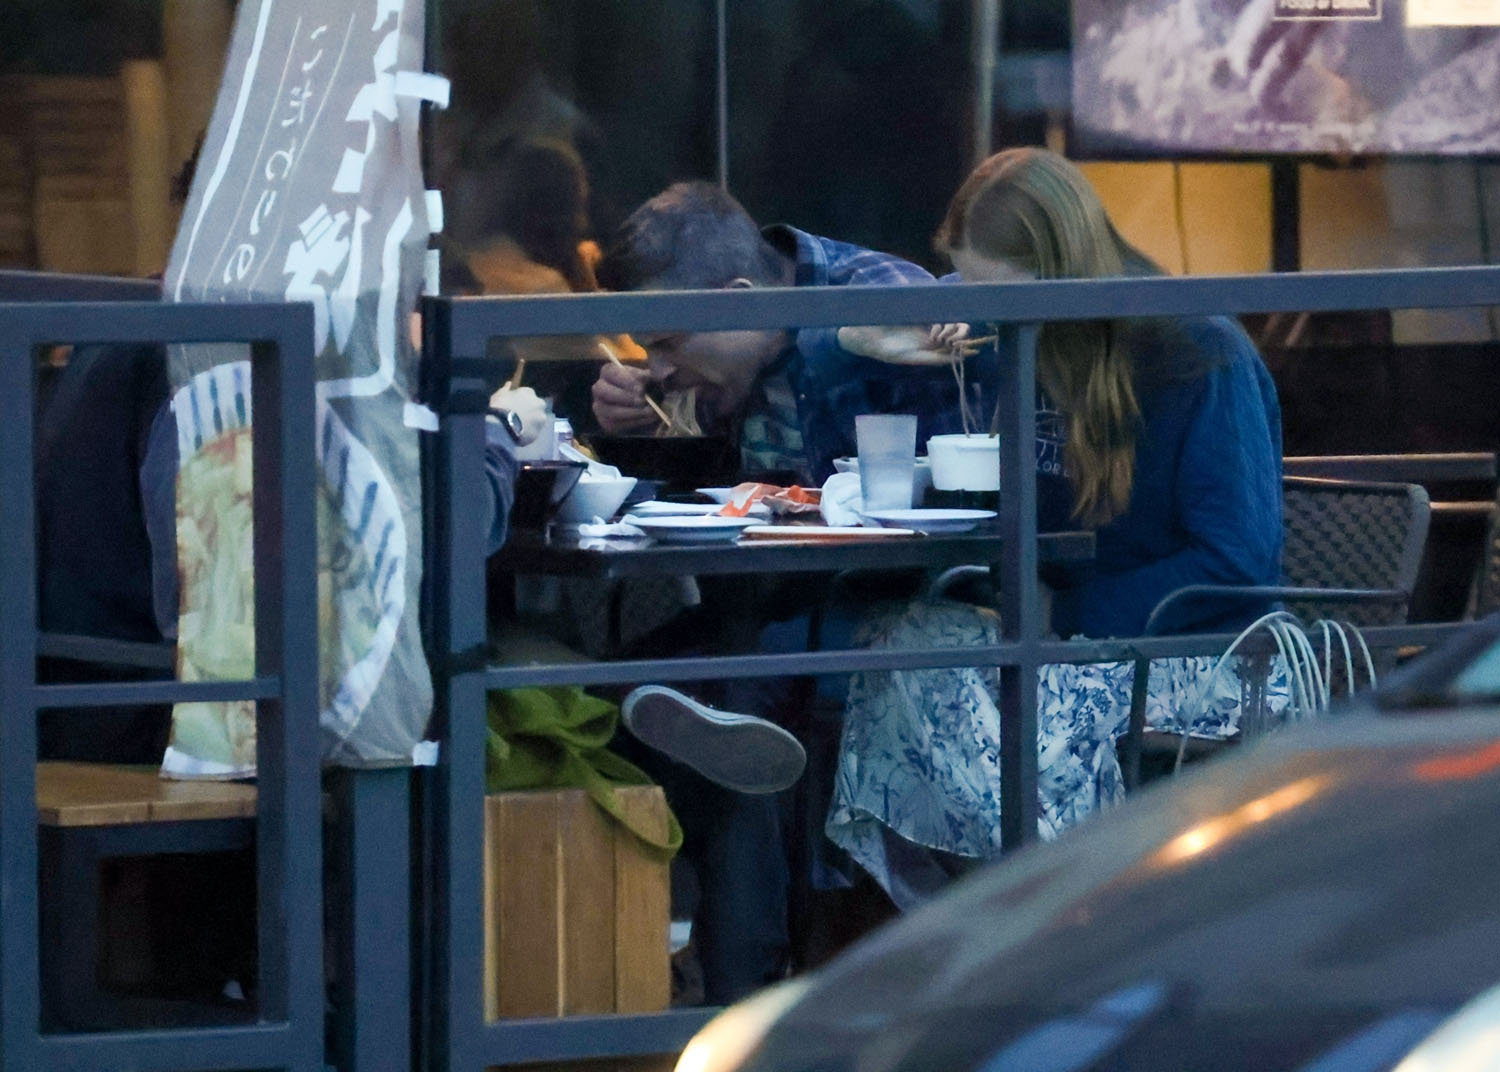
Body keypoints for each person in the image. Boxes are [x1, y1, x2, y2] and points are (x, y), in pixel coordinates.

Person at [827, 147, 1289, 907]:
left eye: (999, 296)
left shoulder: (1196, 350)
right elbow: (845, 322)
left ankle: (1066, 907)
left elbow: (1238, 559)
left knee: (1010, 696)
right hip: (1063, 634)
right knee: (899, 641)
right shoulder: (1025, 333)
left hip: (1202, 651)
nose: (989, 318)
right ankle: (998, 904)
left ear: (1058, 272)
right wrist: (859, 340)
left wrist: (1065, 612)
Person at [579, 180, 985, 1001]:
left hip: (906, 604)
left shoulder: (882, 300)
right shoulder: (732, 354)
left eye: (666, 342)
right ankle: (702, 979)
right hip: (770, 604)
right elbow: (727, 490)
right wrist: (643, 428)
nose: (657, 365)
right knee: (609, 699)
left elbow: (966, 478)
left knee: (735, 698)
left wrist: (824, 346)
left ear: (742, 298)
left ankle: (744, 990)